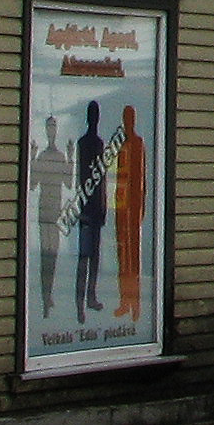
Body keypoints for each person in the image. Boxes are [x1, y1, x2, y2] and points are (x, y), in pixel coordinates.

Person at [29, 115, 70, 318]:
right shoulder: (43, 157)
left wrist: (71, 156)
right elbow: (32, 184)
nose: (51, 130)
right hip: (44, 210)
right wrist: (32, 158)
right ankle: (44, 297)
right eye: (48, 127)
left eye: (54, 126)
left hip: (56, 210)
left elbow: (70, 183)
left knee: (52, 254)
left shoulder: (60, 156)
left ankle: (49, 295)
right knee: (45, 254)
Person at [113, 102, 148, 320]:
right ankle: (124, 301)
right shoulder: (119, 145)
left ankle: (136, 305)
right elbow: (115, 176)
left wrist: (140, 207)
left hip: (133, 208)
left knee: (133, 258)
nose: (128, 122)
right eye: (126, 118)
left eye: (130, 118)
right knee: (121, 256)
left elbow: (141, 179)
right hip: (120, 206)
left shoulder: (137, 143)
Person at [73, 102, 107, 319]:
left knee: (93, 256)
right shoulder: (85, 143)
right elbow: (80, 176)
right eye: (93, 116)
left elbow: (101, 178)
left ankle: (90, 297)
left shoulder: (99, 143)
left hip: (94, 206)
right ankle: (79, 304)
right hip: (87, 205)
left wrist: (103, 205)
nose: (94, 119)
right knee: (85, 256)